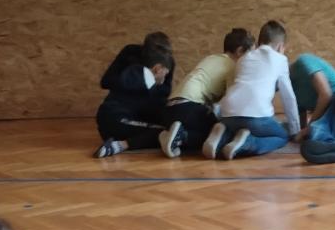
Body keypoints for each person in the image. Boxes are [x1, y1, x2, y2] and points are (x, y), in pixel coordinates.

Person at [203, 20, 300, 160]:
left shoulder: (244, 58)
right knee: (281, 136)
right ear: (280, 46)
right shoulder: (280, 59)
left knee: (237, 128)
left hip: (228, 113)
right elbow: (288, 97)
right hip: (255, 116)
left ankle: (222, 134)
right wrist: (295, 130)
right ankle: (248, 143)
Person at [159, 28, 254, 158]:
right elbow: (232, 101)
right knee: (217, 134)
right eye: (250, 53)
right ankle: (182, 137)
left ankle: (169, 135)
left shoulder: (211, 58)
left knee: (207, 124)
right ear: (239, 51)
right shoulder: (233, 66)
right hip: (188, 107)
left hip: (170, 109)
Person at [93, 32, 175, 159]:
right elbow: (107, 81)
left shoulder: (167, 62)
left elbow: (164, 93)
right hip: (118, 116)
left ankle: (123, 142)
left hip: (139, 112)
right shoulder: (132, 59)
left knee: (169, 129)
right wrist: (138, 83)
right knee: (165, 133)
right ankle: (120, 145)